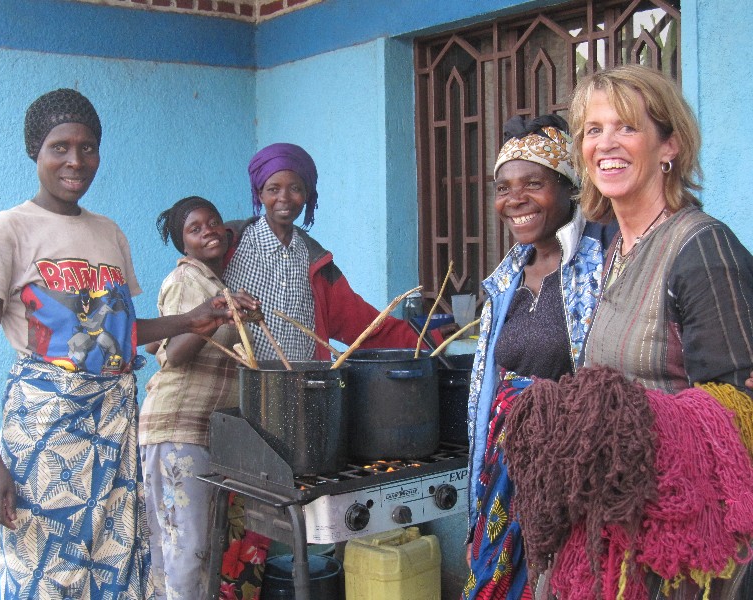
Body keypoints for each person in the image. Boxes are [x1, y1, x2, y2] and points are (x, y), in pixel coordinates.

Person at [0, 89, 252, 600]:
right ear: (36, 151)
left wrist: (192, 318)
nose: (76, 161)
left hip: (116, 425)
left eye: (88, 147)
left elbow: (115, 333)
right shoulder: (3, 231)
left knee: (117, 563)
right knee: (48, 565)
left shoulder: (108, 233)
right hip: (47, 430)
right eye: (60, 147)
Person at [570, 64, 753, 598]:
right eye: (592, 129)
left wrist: (624, 421)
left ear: (668, 145)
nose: (606, 143)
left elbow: (738, 410)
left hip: (693, 548)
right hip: (628, 524)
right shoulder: (615, 251)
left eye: (627, 127)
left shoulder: (702, 249)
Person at [462, 115, 614, 600]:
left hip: (568, 476)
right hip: (503, 472)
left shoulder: (599, 268)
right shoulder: (506, 278)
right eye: (503, 187)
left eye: (534, 183)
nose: (514, 200)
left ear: (569, 189)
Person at [139, 196, 266, 600]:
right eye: (195, 228)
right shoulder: (185, 280)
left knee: (195, 549)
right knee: (185, 549)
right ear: (184, 244)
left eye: (213, 222)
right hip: (177, 427)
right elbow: (175, 354)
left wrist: (234, 313)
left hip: (203, 433)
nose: (208, 230)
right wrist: (217, 315)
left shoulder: (217, 285)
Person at [223, 142, 434, 361]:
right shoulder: (229, 244)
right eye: (273, 189)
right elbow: (194, 293)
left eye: (295, 188)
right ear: (259, 194)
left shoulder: (316, 262)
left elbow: (366, 328)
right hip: (236, 388)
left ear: (307, 195)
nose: (284, 198)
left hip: (299, 389)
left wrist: (428, 339)